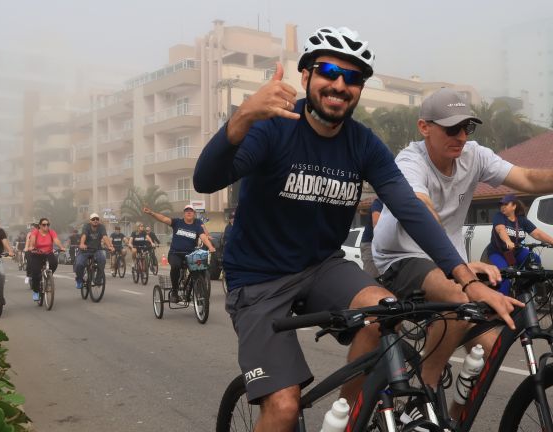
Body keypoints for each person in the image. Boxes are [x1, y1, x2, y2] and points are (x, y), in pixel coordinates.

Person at [191, 26, 519, 432]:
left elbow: (411, 211)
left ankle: (346, 419)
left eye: (354, 77)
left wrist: (468, 282)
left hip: (321, 268)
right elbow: (205, 180)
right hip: (258, 278)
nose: (340, 84)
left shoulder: (362, 143)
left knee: (385, 312)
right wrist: (242, 116)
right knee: (283, 408)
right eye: (329, 70)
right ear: (307, 76)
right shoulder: (272, 127)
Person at [372, 87, 553, 420]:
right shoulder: (410, 161)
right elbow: (420, 212)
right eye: (451, 128)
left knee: (489, 351)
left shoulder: (475, 155)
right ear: (424, 127)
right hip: (402, 257)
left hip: (450, 263)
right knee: (458, 295)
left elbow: (524, 176)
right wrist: (460, 267)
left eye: (467, 127)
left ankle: (452, 420)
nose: (461, 136)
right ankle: (420, 403)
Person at [487, 193, 553, 295]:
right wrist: (508, 241)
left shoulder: (522, 220)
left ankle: (525, 286)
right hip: (498, 252)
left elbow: (536, 233)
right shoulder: (499, 216)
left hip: (516, 251)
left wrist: (552, 241)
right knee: (505, 274)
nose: (502, 207)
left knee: (535, 259)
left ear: (514, 206)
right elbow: (501, 230)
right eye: (501, 205)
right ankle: (503, 301)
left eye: (505, 204)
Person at [143, 205, 215, 303]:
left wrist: (210, 247)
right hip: (175, 253)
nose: (189, 212)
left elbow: (203, 236)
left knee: (198, 269)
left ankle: (197, 290)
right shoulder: (177, 222)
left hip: (190, 255)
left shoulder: (197, 225)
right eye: (186, 211)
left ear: (194, 214)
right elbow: (163, 219)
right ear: (183, 213)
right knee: (176, 266)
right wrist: (151, 213)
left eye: (191, 211)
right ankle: (175, 291)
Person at [28, 218, 65, 302]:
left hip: (48, 253)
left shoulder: (51, 232)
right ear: (40, 225)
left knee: (54, 263)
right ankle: (36, 291)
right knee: (35, 273)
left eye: (48, 224)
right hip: (37, 253)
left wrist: (61, 247)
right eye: (44, 225)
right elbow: (32, 241)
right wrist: (31, 247)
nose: (46, 226)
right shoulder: (36, 232)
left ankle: (48, 277)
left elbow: (56, 240)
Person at [74, 213, 115, 288]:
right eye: (93, 219)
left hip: (97, 249)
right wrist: (82, 244)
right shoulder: (86, 226)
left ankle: (98, 280)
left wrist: (110, 246)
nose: (95, 220)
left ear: (99, 220)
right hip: (85, 250)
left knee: (102, 260)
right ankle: (79, 279)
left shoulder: (101, 227)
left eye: (97, 219)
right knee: (79, 264)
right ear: (90, 221)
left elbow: (105, 236)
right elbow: (84, 235)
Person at [359, 197, 383, 277]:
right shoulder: (379, 202)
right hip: (370, 244)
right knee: (372, 277)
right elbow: (377, 225)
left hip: (385, 245)